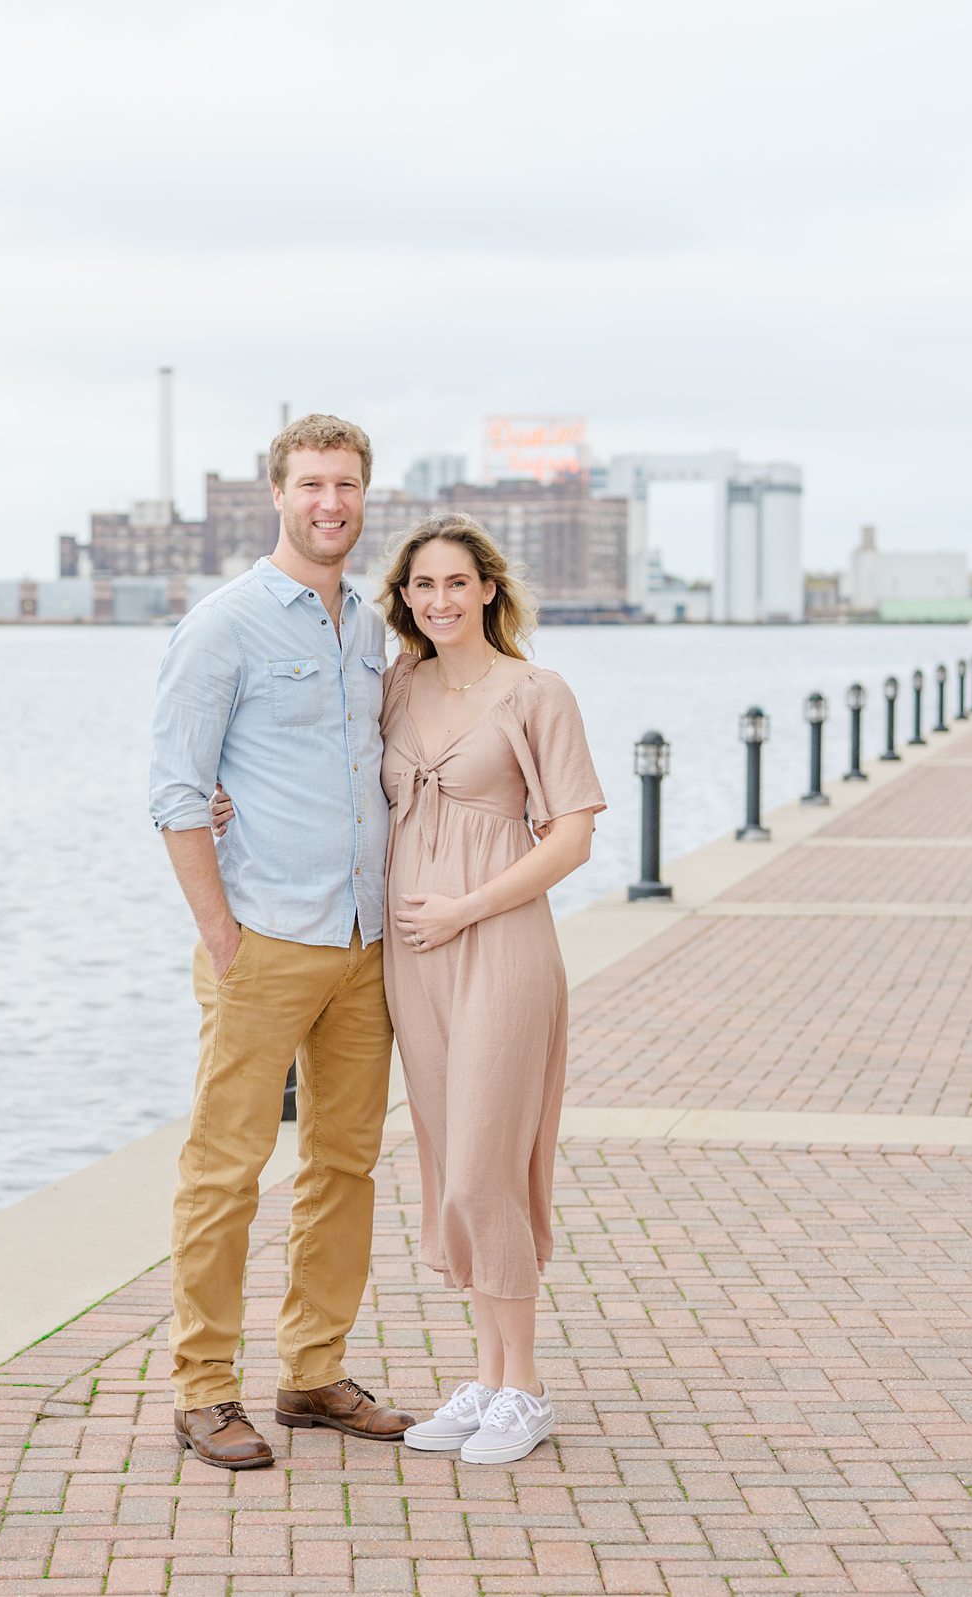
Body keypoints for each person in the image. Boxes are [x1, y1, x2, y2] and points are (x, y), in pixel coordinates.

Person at [146, 413, 416, 1471]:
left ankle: (312, 1371)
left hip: (364, 943)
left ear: (363, 496)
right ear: (279, 494)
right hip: (262, 939)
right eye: (311, 484)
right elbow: (174, 787)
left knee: (344, 1164)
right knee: (226, 1171)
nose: (329, 503)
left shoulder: (366, 629)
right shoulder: (224, 625)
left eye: (345, 485)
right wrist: (219, 930)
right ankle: (203, 1389)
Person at [377, 514, 604, 1465]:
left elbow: (572, 836)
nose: (439, 601)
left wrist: (468, 907)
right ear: (405, 598)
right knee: (445, 1164)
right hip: (411, 955)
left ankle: (529, 1386)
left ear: (489, 590)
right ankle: (487, 1375)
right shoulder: (393, 686)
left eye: (456, 583)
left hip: (499, 941)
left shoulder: (535, 692)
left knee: (485, 1162)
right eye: (422, 586)